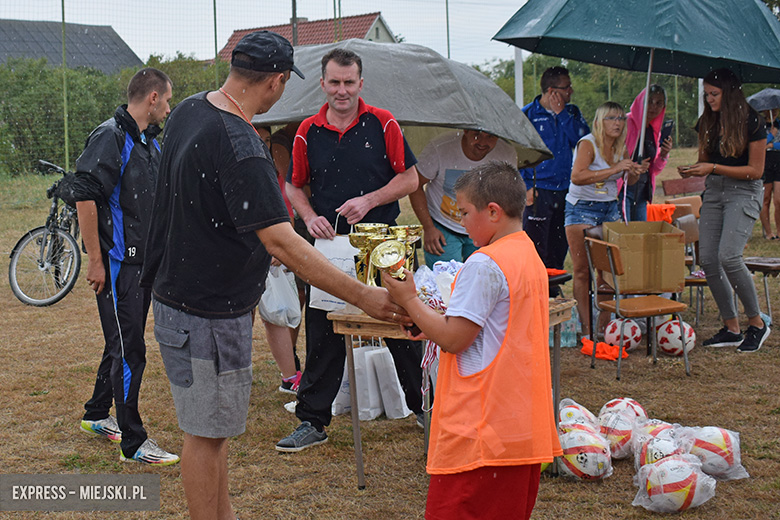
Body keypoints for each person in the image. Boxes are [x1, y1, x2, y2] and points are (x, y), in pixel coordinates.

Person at [141, 32, 409, 520]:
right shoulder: (243, 146)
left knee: (213, 431)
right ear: (278, 82)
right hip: (207, 310)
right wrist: (365, 298)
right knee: (204, 436)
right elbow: (283, 241)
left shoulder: (189, 109)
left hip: (181, 298)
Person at [382, 161, 562, 520]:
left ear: (492, 211)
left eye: (464, 212)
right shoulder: (526, 251)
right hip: (517, 425)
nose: (461, 221)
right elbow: (490, 330)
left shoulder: (484, 264)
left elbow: (454, 339)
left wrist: (409, 300)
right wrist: (428, 322)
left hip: (481, 432)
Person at [278, 47, 423, 452]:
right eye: (335, 83)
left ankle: (425, 408)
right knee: (323, 327)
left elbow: (410, 179)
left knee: (405, 323)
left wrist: (370, 199)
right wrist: (307, 216)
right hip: (331, 244)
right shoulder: (308, 129)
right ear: (323, 84)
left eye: (349, 82)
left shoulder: (383, 122)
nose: (342, 91)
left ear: (361, 83)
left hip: (385, 240)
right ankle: (312, 421)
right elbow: (294, 185)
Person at [74, 67, 178, 466]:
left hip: (143, 266)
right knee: (130, 350)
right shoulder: (111, 136)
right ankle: (133, 443)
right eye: (167, 100)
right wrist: (97, 262)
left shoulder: (147, 140)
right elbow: (84, 196)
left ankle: (97, 414)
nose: (168, 108)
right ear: (152, 98)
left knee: (119, 339)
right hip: (119, 267)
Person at [677, 68, 769, 352]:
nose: (709, 99)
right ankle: (731, 327)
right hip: (714, 190)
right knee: (708, 259)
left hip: (744, 191)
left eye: (714, 94)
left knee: (729, 256)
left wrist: (713, 167)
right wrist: (693, 170)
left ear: (729, 93)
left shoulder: (752, 120)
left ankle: (757, 323)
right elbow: (705, 161)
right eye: (706, 95)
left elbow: (756, 170)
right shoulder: (708, 120)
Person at [564, 101, 642, 339]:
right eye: (611, 118)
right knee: (582, 271)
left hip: (610, 207)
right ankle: (586, 329)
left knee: (608, 271)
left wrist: (633, 173)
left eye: (620, 118)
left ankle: (604, 326)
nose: (617, 123)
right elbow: (577, 177)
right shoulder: (588, 143)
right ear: (599, 122)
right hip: (581, 209)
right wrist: (615, 169)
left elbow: (629, 182)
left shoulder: (621, 146)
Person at [521, 66, 590, 287]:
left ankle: (552, 290)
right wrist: (525, 186)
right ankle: (536, 289)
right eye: (566, 87)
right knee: (535, 246)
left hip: (566, 190)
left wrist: (562, 115)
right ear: (551, 91)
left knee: (560, 245)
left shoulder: (572, 113)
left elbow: (582, 142)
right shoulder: (527, 115)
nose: (571, 91)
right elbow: (516, 153)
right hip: (538, 190)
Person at [409, 129, 517, 266]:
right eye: (477, 135)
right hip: (443, 225)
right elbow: (415, 185)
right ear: (466, 130)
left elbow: (508, 195)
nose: (483, 142)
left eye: (490, 136)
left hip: (484, 226)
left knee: (480, 279)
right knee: (443, 280)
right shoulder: (440, 147)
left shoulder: (506, 153)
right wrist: (429, 228)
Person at [255, 124, 301, 393]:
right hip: (246, 248)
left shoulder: (273, 167)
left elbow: (283, 204)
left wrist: (283, 239)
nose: (263, 144)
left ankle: (290, 377)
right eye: (257, 138)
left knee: (275, 312)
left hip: (272, 247)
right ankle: (232, 373)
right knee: (240, 314)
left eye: (267, 139)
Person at [618, 85, 673, 221]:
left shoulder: (654, 131)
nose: (653, 107)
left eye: (659, 103)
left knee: (640, 236)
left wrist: (663, 155)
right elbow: (613, 156)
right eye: (649, 101)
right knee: (624, 238)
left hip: (642, 194)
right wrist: (633, 166)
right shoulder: (626, 123)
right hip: (623, 191)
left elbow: (654, 169)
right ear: (640, 101)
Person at [760, 119, 780, 240]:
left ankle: (779, 231)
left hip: (778, 162)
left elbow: (768, 145)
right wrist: (771, 135)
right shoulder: (761, 125)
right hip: (765, 163)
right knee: (765, 198)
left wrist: (772, 145)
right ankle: (768, 232)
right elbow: (759, 144)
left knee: (778, 200)